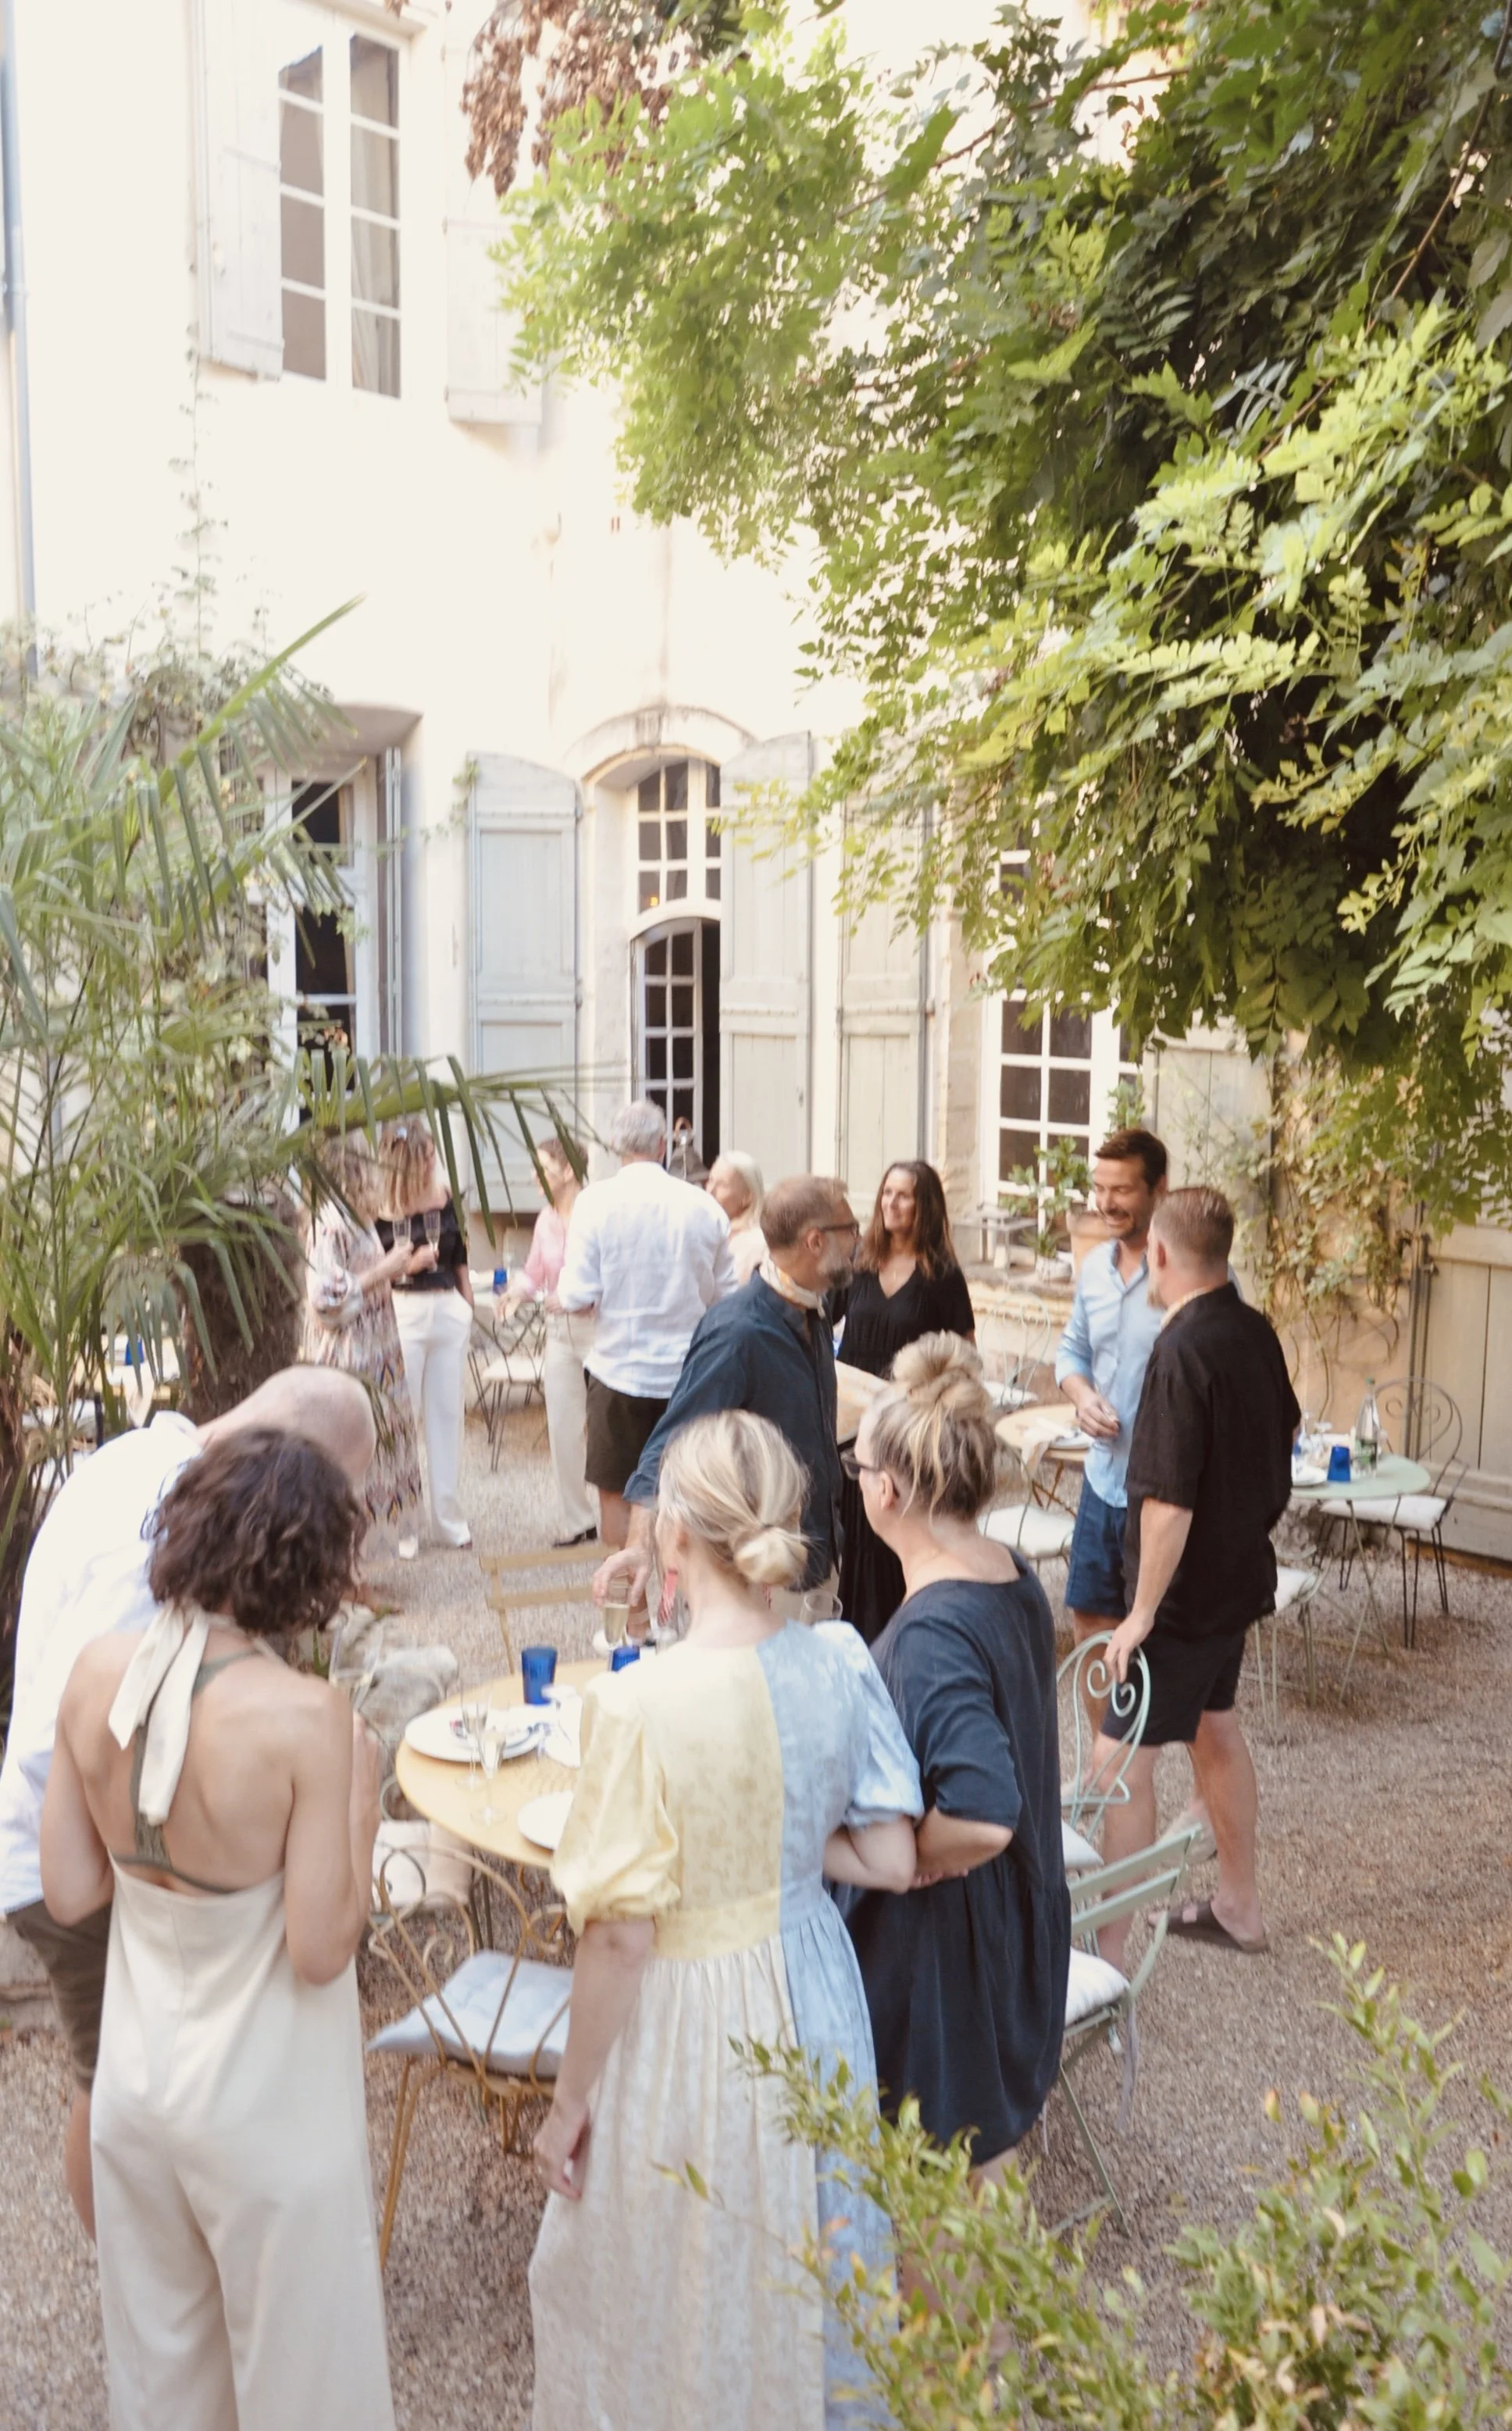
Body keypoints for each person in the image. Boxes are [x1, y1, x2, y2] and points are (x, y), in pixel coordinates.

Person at [529, 1411, 922, 2431]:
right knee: (813, 2254)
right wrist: (784, 1845)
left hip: (697, 2016)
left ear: (675, 1535)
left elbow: (620, 1935)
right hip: (815, 1990)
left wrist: (569, 2105)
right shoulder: (838, 1659)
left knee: (686, 2269)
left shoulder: (640, 1704)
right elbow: (890, 1856)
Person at [41, 1429, 395, 2430]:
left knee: (165, 2381)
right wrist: (360, 1801)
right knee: (302, 2385)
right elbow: (320, 1947)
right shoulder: (307, 1720)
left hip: (136, 2088)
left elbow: (68, 1889)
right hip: (264, 2105)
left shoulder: (93, 1672)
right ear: (309, 1567)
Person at [0, 1365, 376, 2238]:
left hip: (86, 1845)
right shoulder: (145, 1566)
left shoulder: (153, 1458)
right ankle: (132, 2259)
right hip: (79, 1846)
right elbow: (98, 1744)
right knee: (111, 2078)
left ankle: (163, 2275)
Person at [839, 1335, 1070, 2172]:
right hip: (1008, 1924)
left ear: (890, 1489)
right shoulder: (1005, 1569)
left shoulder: (934, 1629)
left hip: (946, 1959)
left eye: (857, 1467)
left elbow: (980, 1812)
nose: (855, 1480)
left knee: (934, 2221)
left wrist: (909, 1859)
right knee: (979, 2191)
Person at [1097, 1188, 1299, 1965]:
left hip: (1181, 1601)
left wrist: (1142, 1610)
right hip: (1235, 1581)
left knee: (1115, 1767)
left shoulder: (1180, 1350)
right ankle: (1238, 1907)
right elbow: (1288, 1426)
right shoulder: (1253, 1330)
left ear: (1159, 1253)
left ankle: (1106, 1961)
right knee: (1214, 1733)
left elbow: (1168, 1502)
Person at [593, 1175, 861, 1622]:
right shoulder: (737, 1335)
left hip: (817, 1555)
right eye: (851, 1229)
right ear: (815, 1242)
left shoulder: (815, 1304)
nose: (858, 1240)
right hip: (763, 1578)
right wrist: (640, 1544)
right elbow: (670, 1443)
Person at [558, 1100, 735, 1558]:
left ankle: (631, 1622)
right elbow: (727, 1299)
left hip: (618, 1371)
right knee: (690, 1499)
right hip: (689, 1376)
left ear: (617, 1147)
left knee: (617, 1494)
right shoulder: (705, 1207)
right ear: (662, 1146)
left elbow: (574, 1296)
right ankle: (685, 1612)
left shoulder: (593, 1203)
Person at [834, 1161, 975, 1643]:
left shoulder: (942, 1275)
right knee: (856, 1533)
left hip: (907, 1424)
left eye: (904, 1196)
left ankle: (901, 1639)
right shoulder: (859, 1263)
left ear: (925, 1206)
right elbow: (816, 1316)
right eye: (886, 1193)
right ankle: (858, 1639)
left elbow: (964, 1355)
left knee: (897, 1532)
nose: (890, 1203)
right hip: (856, 1420)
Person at [1054, 1128, 1169, 1673]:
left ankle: (1149, 1752)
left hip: (1164, 1494)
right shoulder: (1096, 1267)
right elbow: (1072, 1351)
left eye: (1121, 1190)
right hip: (1102, 1480)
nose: (1105, 1203)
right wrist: (1081, 1397)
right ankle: (1110, 1759)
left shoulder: (1190, 1273)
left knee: (1167, 1646)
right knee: (1090, 1627)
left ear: (1158, 1190)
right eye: (1100, 1188)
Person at [301, 1132, 427, 1561]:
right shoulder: (330, 1222)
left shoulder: (355, 1217)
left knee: (376, 1459)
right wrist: (384, 1271)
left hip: (378, 1354)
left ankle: (359, 1571)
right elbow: (324, 1301)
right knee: (355, 1461)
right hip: (353, 1357)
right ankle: (348, 1574)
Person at [376, 1120, 476, 1550]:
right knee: (402, 1420)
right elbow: (370, 1273)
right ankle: (405, 1526)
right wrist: (406, 1267)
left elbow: (460, 1256)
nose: (434, 1161)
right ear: (405, 1162)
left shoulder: (445, 1195)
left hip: (448, 1308)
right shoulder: (380, 1208)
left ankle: (450, 1521)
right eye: (427, 1156)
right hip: (405, 1310)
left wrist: (467, 1306)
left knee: (447, 1417)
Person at [510, 1133, 597, 1546]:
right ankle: (577, 1520)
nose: (533, 1176)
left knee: (608, 1430)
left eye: (541, 1168)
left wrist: (582, 1297)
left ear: (566, 1171)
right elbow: (533, 1272)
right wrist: (516, 1291)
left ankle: (625, 1516)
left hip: (601, 1330)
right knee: (563, 1427)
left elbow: (616, 1273)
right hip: (558, 1336)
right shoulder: (545, 1218)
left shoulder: (598, 1213)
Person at [706, 1149, 766, 1285]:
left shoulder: (756, 1244)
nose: (710, 1190)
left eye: (722, 1185)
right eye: (710, 1180)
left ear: (747, 1197)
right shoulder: (711, 1232)